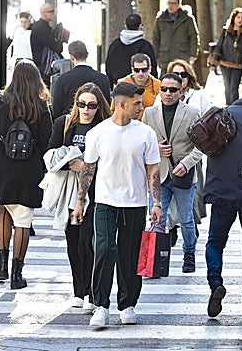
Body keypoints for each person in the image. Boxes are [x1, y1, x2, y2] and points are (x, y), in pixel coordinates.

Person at [72, 82, 161, 328]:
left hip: (135, 203)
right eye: (136, 103)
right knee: (104, 250)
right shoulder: (97, 133)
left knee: (129, 254)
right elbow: (88, 170)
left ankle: (127, 303)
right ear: (121, 104)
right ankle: (101, 305)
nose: (141, 107)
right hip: (104, 202)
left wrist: (157, 202)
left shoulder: (146, 133)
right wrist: (80, 201)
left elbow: (153, 169)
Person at [0, 59, 52, 290]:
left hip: (1, 165)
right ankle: (17, 274)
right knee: (23, 220)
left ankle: (1, 268)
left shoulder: (0, 101)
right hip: (28, 169)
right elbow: (46, 140)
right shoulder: (41, 105)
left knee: (4, 211)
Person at [204, 75, 242, 318]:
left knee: (215, 241)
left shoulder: (221, 115)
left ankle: (215, 283)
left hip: (221, 191)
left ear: (241, 91)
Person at [44, 83, 111, 311]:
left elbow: (110, 162)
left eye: (91, 105)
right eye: (82, 104)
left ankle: (92, 291)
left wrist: (85, 166)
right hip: (70, 193)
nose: (86, 109)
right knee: (73, 243)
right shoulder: (64, 124)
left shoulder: (104, 128)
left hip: (96, 193)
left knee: (88, 242)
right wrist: (66, 161)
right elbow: (50, 152)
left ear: (98, 106)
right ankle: (78, 291)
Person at [142, 73, 203, 273]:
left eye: (173, 90)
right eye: (164, 89)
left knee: (186, 218)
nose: (168, 93)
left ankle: (189, 254)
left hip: (182, 174)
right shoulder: (150, 113)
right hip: (158, 174)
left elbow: (201, 146)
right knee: (156, 217)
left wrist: (186, 163)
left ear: (181, 91)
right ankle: (156, 257)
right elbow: (142, 142)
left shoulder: (192, 113)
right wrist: (156, 150)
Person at [165, 59, 211, 243]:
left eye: (183, 75)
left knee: (192, 192)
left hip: (192, 153)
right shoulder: (165, 96)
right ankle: (174, 226)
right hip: (169, 155)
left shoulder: (198, 96)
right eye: (176, 75)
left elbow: (210, 118)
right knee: (170, 191)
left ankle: (190, 225)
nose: (180, 79)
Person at [52, 40, 111, 120]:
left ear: (71, 57)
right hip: (97, 125)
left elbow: (57, 110)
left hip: (70, 124)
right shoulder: (103, 78)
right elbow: (107, 108)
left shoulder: (63, 79)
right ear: (87, 55)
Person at [105, 13, 158, 91]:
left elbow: (108, 68)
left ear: (125, 26)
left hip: (119, 87)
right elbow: (152, 69)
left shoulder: (114, 45)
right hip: (141, 89)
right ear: (140, 26)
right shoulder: (145, 46)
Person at [209, 7, 242, 106]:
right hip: (225, 63)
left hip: (237, 64)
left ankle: (235, 108)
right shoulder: (225, 31)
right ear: (233, 18)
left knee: (234, 87)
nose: (240, 20)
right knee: (227, 87)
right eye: (238, 17)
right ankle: (228, 107)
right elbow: (219, 46)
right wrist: (214, 63)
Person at [152, 0, 199, 74]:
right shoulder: (160, 19)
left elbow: (193, 37)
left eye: (173, 3)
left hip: (182, 56)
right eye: (169, 3)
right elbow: (156, 38)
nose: (170, 6)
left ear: (179, 5)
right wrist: (156, 56)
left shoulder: (188, 19)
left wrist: (193, 54)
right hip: (165, 57)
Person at [117, 53, 161, 120]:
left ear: (150, 69)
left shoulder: (158, 85)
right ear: (132, 70)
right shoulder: (123, 84)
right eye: (137, 70)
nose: (140, 73)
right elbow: (115, 109)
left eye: (144, 70)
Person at [30, 3, 64, 86]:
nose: (54, 14)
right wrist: (58, 40)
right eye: (51, 11)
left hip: (43, 68)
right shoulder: (41, 28)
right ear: (43, 13)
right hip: (44, 69)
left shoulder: (42, 26)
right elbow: (57, 47)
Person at [6, 12, 33, 84]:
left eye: (25, 22)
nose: (23, 24)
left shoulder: (32, 32)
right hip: (17, 59)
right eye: (21, 22)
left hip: (29, 58)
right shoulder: (17, 30)